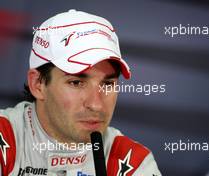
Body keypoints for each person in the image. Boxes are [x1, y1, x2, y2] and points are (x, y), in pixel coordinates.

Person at [0, 9, 161, 175]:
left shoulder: (133, 162)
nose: (96, 105)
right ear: (37, 84)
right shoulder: (4, 136)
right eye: (76, 82)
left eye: (107, 83)